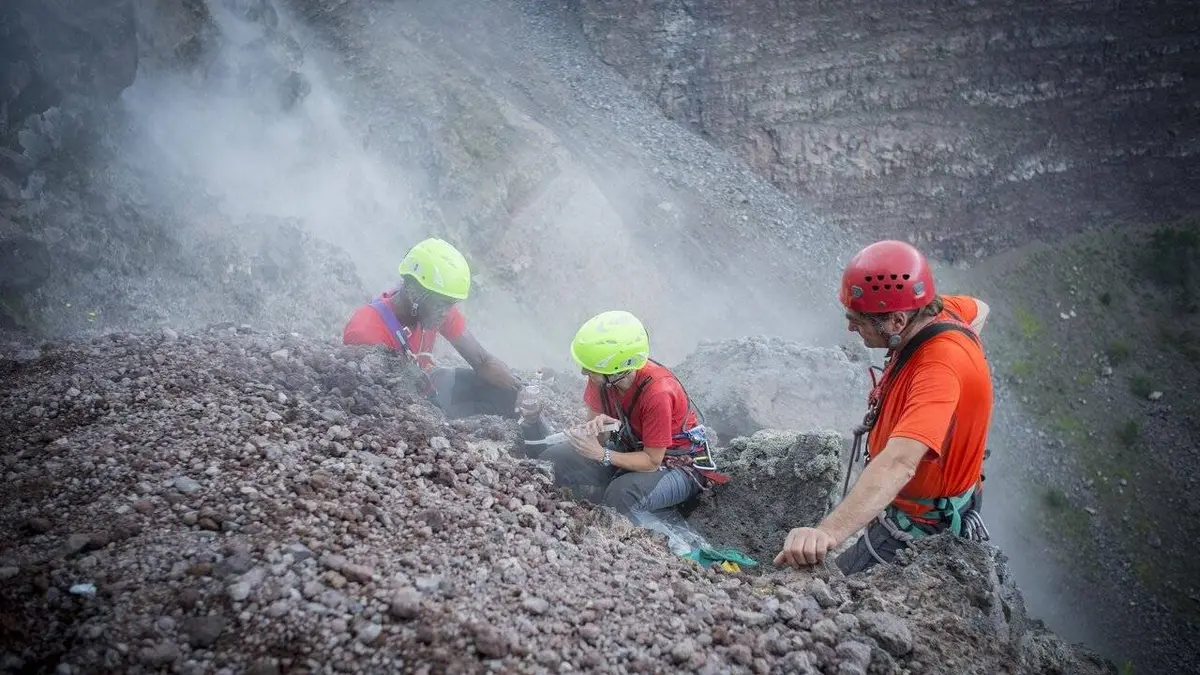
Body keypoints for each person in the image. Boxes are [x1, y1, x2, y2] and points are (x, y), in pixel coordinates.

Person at [774, 239, 994, 574]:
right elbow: (980, 308)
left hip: (920, 528)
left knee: (819, 586)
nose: (850, 328)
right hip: (924, 504)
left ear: (897, 322)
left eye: (858, 321)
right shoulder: (942, 313)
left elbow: (899, 464)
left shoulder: (939, 368)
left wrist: (826, 533)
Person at [526, 310, 727, 524]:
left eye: (591, 368)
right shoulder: (601, 377)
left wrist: (601, 454)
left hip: (677, 464)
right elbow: (598, 440)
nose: (584, 372)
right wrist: (594, 434)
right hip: (632, 449)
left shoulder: (657, 392)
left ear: (617, 370)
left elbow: (651, 461)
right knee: (554, 459)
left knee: (621, 495)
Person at [342, 237, 529, 420]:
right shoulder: (366, 332)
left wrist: (520, 390)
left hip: (424, 392)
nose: (446, 312)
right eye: (443, 304)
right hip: (397, 412)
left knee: (503, 396)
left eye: (451, 304)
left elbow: (482, 361)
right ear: (414, 292)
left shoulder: (434, 305)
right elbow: (383, 405)